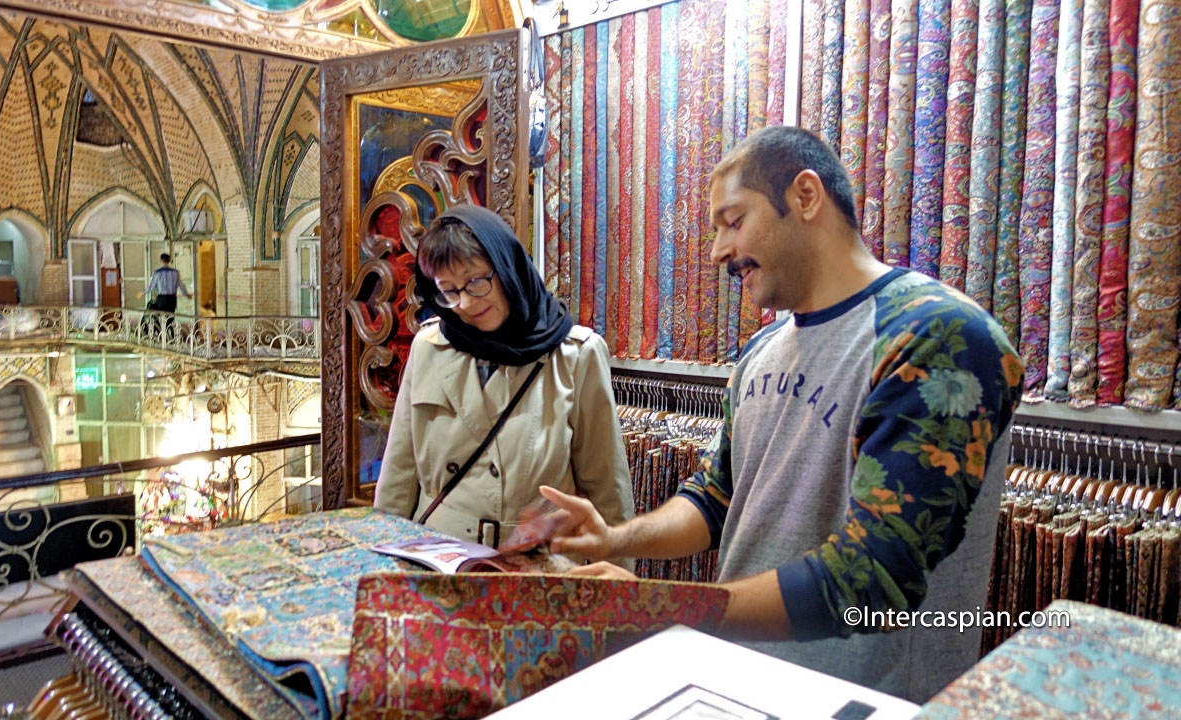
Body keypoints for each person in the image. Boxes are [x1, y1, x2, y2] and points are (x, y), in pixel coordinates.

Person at [541, 126, 1023, 704]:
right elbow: (717, 497)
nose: (719, 250)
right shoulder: (762, 351)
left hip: (867, 700)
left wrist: (661, 607)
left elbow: (873, 578)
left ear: (805, 196)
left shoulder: (936, 337)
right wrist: (618, 537)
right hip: (733, 686)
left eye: (734, 220)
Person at [373, 204, 634, 551]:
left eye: (476, 281)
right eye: (448, 290)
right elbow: (398, 479)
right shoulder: (429, 347)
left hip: (536, 567)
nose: (464, 302)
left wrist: (615, 589)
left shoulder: (575, 354)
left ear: (507, 265)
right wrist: (381, 568)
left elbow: (608, 493)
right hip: (438, 560)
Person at [140, 252, 191, 339]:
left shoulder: (158, 272)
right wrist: (186, 294)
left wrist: (142, 293)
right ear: (169, 261)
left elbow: (152, 287)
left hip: (161, 299)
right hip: (172, 299)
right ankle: (171, 337)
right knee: (170, 319)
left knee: (162, 319)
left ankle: (163, 338)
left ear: (161, 260)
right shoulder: (175, 273)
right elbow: (180, 285)